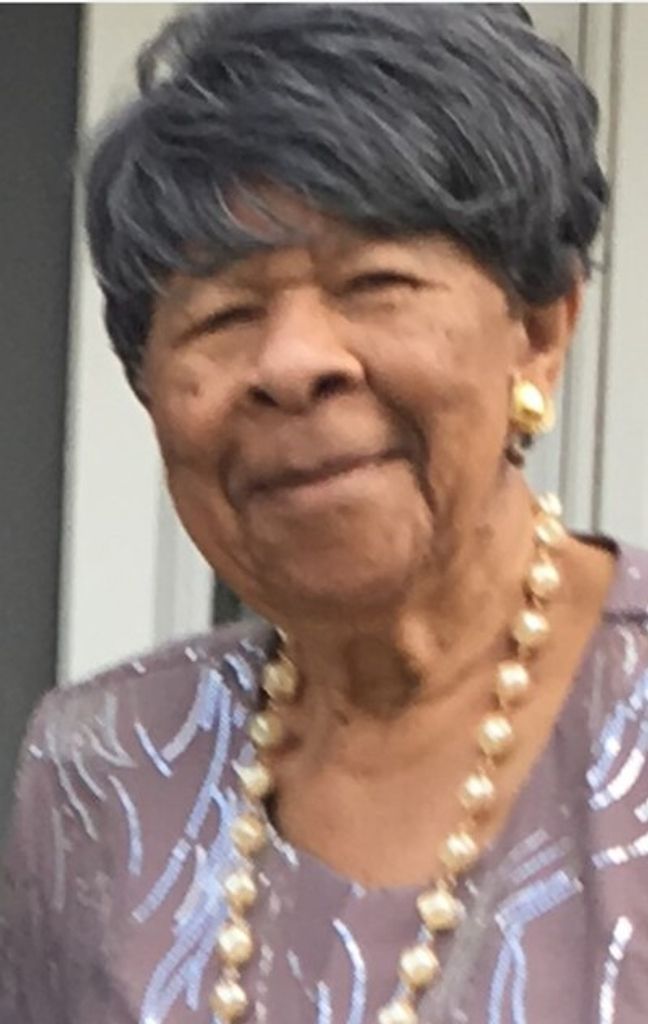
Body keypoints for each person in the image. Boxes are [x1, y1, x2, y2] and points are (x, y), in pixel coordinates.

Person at [2, 4, 646, 1022]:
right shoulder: (105, 766)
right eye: (223, 314)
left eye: (375, 282)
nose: (294, 363)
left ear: (538, 333)